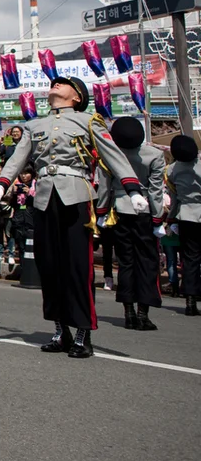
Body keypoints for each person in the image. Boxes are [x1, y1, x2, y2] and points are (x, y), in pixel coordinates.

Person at [0, 76, 146, 359]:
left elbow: (113, 155)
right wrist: (2, 183)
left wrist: (132, 187)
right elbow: (18, 159)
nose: (55, 85)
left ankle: (82, 331)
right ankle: (60, 329)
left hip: (75, 197)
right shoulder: (34, 125)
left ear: (77, 97)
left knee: (78, 266)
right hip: (44, 198)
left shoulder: (88, 121)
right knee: (49, 265)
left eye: (62, 84)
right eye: (54, 83)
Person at [96, 117, 165, 331]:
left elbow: (104, 187)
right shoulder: (154, 154)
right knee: (147, 262)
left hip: (120, 209)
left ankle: (128, 312)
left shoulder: (110, 156)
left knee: (126, 261)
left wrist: (101, 211)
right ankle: (143, 314)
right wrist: (158, 218)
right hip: (145, 210)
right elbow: (155, 190)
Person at [165, 135, 201, 317]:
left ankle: (190, 300)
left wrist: (170, 220)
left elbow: (174, 199)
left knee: (190, 259)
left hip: (186, 215)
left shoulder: (171, 170)